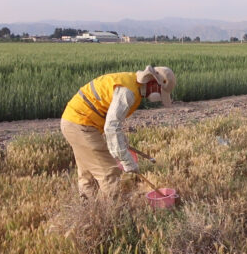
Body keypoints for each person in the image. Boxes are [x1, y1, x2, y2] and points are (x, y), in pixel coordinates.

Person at [60, 65, 176, 199]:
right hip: (81, 124)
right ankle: (112, 213)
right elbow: (111, 127)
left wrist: (123, 143)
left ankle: (88, 209)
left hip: (75, 122)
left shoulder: (132, 84)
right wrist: (127, 161)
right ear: (153, 82)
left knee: (88, 171)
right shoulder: (128, 92)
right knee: (109, 172)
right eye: (160, 91)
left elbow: (114, 125)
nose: (158, 96)